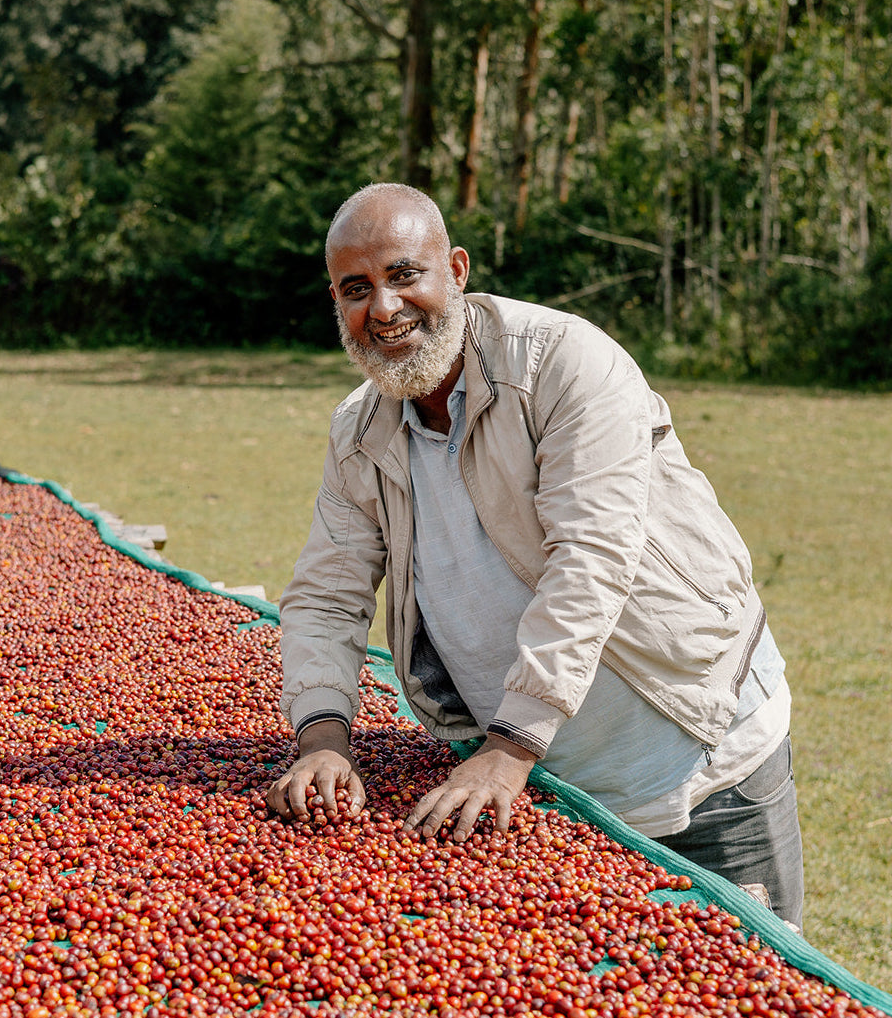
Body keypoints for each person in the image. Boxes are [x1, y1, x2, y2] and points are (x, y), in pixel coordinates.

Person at [265, 182, 804, 927]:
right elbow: (327, 592)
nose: (384, 308)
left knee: (746, 984)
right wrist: (322, 738)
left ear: (456, 270)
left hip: (698, 759)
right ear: (336, 301)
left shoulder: (561, 364)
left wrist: (511, 745)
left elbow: (592, 556)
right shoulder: (360, 430)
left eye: (404, 274)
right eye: (357, 289)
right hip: (544, 786)